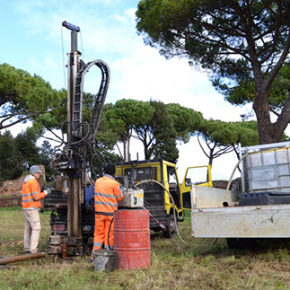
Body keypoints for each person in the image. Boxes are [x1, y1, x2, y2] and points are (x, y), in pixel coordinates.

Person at [92, 163, 124, 257]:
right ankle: (107, 254)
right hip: (110, 213)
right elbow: (119, 198)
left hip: (99, 213)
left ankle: (94, 255)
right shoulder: (114, 183)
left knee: (98, 234)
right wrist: (122, 190)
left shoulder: (98, 181)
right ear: (113, 173)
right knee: (109, 234)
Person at [21, 165, 51, 254]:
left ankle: (27, 248)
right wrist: (46, 192)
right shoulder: (33, 182)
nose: (39, 175)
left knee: (28, 228)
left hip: (26, 207)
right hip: (32, 208)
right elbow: (36, 197)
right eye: (38, 173)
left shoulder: (26, 181)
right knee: (36, 228)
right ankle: (33, 250)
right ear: (34, 173)